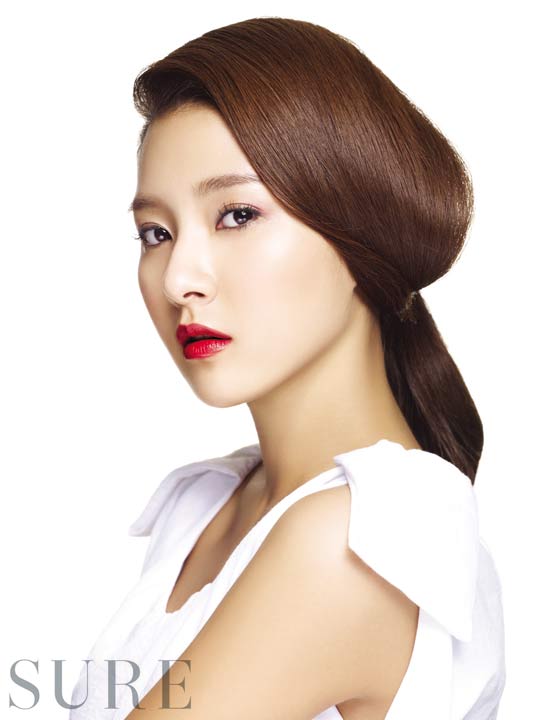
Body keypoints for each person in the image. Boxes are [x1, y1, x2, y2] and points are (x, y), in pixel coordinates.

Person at [69, 16, 506, 720]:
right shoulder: (215, 502)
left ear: (359, 233)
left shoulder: (355, 540)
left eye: (237, 216)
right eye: (157, 232)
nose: (179, 278)